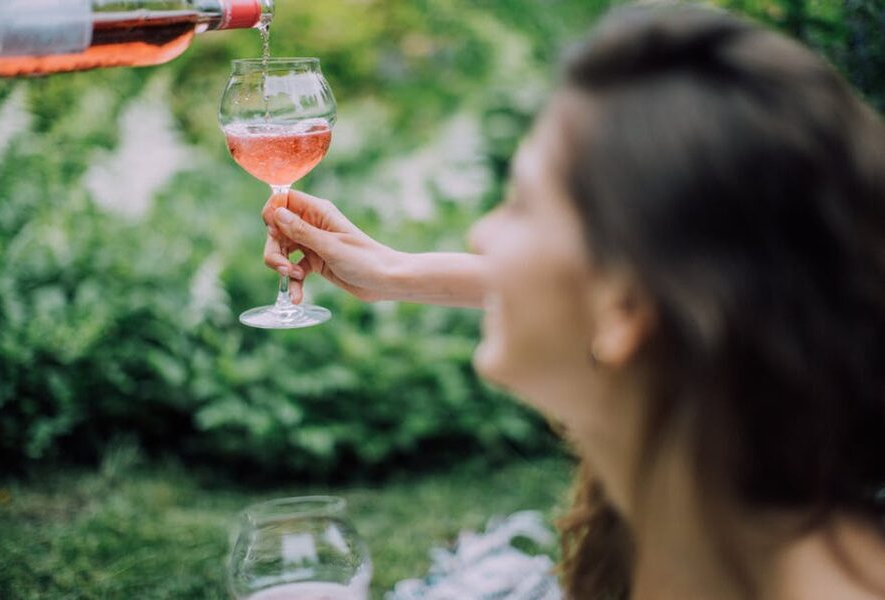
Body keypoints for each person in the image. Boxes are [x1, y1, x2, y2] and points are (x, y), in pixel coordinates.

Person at [261, 5, 885, 599]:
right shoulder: (717, 517)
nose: (481, 236)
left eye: (522, 204)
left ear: (626, 310)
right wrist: (393, 270)